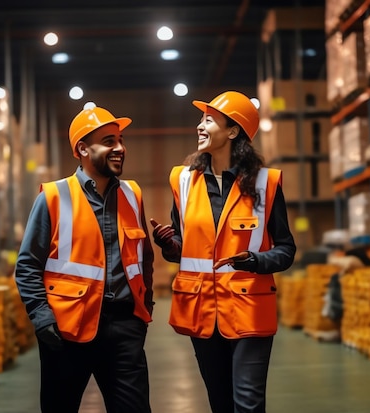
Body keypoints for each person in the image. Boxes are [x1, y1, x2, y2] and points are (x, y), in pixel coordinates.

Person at [150, 90, 297, 413]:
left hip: (248, 307)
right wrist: (168, 244)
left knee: (247, 402)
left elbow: (286, 250)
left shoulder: (265, 184)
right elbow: (182, 251)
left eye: (209, 120)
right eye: (201, 120)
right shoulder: (183, 181)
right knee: (219, 401)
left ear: (233, 132)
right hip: (202, 309)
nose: (200, 127)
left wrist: (256, 261)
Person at [15, 105, 154, 413]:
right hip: (65, 330)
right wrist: (42, 318)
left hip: (123, 328)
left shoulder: (132, 194)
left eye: (120, 140)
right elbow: (27, 265)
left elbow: (144, 259)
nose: (119, 148)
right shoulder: (53, 196)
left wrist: (143, 311)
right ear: (82, 149)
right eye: (108, 141)